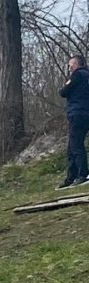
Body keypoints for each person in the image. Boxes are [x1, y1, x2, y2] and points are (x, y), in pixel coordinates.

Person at [58, 54, 89, 189]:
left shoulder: (77, 75)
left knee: (75, 145)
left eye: (70, 65)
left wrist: (67, 84)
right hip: (86, 113)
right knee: (72, 146)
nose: (69, 68)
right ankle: (71, 177)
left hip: (77, 113)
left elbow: (63, 92)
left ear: (76, 64)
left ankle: (82, 174)